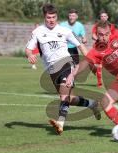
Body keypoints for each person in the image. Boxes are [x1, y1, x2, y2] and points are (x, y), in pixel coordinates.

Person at [25, 3, 101, 135]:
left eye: (54, 17)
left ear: (57, 17)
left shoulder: (65, 31)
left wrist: (91, 60)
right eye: (49, 17)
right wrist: (30, 54)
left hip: (66, 64)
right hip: (51, 69)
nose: (51, 20)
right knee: (68, 98)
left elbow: (80, 46)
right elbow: (28, 48)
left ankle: (60, 123)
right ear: (45, 17)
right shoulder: (37, 32)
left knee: (64, 95)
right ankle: (92, 104)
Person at [91, 10, 115, 88]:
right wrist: (98, 39)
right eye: (102, 16)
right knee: (98, 65)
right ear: (100, 17)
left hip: (109, 47)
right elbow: (93, 35)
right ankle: (99, 83)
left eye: (105, 16)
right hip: (99, 47)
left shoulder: (111, 26)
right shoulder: (97, 26)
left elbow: (114, 35)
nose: (103, 18)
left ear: (107, 17)